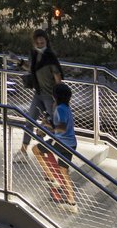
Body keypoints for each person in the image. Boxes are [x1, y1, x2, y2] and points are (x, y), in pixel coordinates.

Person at [32, 82, 79, 210]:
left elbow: (62, 128)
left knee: (35, 149)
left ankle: (52, 178)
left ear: (55, 96)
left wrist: (50, 127)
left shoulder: (60, 109)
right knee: (64, 171)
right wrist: (51, 124)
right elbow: (63, 125)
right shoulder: (66, 107)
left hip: (61, 142)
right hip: (71, 143)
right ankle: (71, 202)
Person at [20, 29, 63, 153]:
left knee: (54, 124)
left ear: (46, 41)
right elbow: (32, 69)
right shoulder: (34, 54)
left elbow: (58, 78)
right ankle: (23, 150)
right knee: (29, 120)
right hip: (38, 94)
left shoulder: (50, 57)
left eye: (42, 42)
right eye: (37, 43)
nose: (40, 44)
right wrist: (20, 63)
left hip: (50, 95)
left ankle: (52, 145)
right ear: (34, 43)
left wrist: (57, 98)